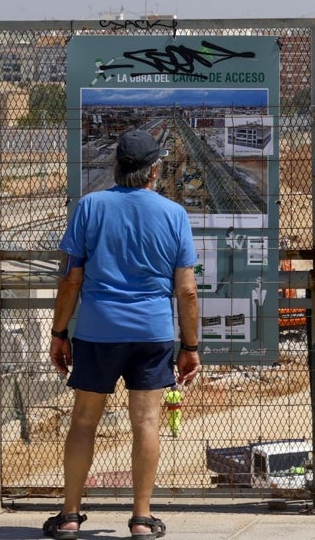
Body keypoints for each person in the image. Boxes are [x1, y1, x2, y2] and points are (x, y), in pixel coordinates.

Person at [44, 129, 200, 540]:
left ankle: (70, 515)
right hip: (151, 332)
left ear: (117, 167)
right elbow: (186, 289)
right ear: (154, 171)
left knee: (83, 421)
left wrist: (60, 332)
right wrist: (190, 346)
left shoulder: (90, 207)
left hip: (98, 330)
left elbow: (70, 279)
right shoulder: (173, 214)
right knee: (146, 420)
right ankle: (141, 519)